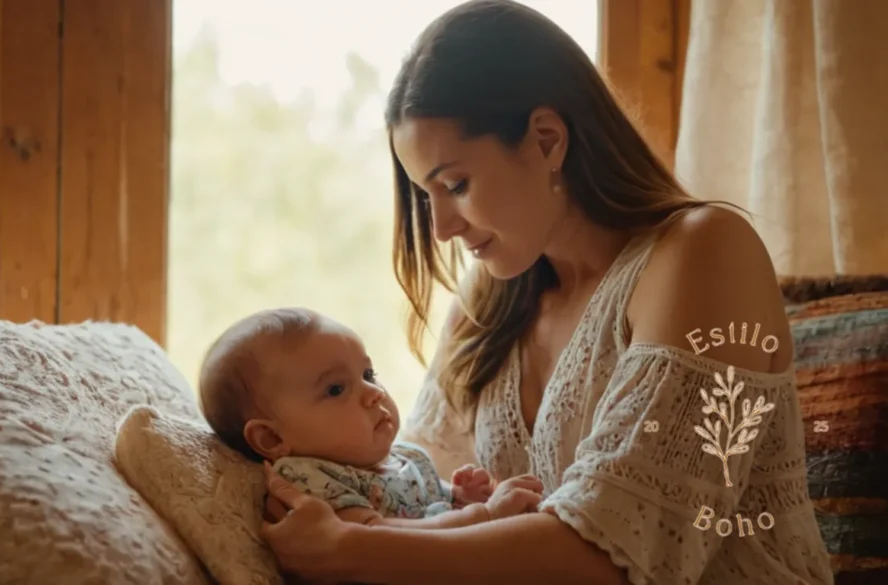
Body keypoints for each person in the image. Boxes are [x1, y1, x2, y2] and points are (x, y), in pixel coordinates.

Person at [259, 1, 835, 584]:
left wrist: (350, 550)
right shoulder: (484, 309)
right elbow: (404, 494)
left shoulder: (705, 251)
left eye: (456, 184)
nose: (442, 229)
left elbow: (620, 550)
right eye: (425, 196)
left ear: (547, 140)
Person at [198, 307, 548, 529]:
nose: (373, 392)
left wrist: (466, 498)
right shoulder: (308, 480)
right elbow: (377, 540)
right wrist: (484, 516)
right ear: (272, 440)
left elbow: (440, 509)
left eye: (368, 374)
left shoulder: (407, 457)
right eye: (336, 389)